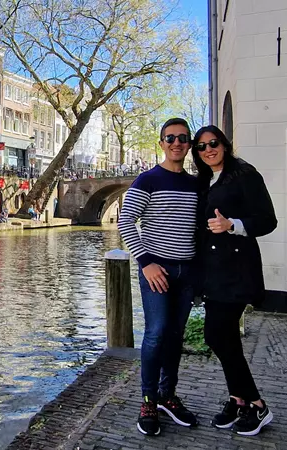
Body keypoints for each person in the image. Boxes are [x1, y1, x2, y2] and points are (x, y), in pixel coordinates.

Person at [192, 125, 277, 436]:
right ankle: (238, 400)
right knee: (225, 337)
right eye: (201, 146)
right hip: (212, 272)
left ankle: (258, 404)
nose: (209, 150)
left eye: (213, 143)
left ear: (225, 145)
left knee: (216, 335)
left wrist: (233, 225)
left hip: (237, 270)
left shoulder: (244, 174)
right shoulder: (204, 180)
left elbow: (268, 220)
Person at [117, 118, 199, 436]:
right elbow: (126, 221)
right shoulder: (148, 180)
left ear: (189, 144)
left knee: (176, 335)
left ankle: (167, 395)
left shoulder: (195, 185)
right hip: (157, 270)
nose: (177, 143)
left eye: (182, 138)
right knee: (156, 333)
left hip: (187, 272)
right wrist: (146, 262)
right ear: (162, 143)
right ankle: (148, 401)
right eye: (170, 138)